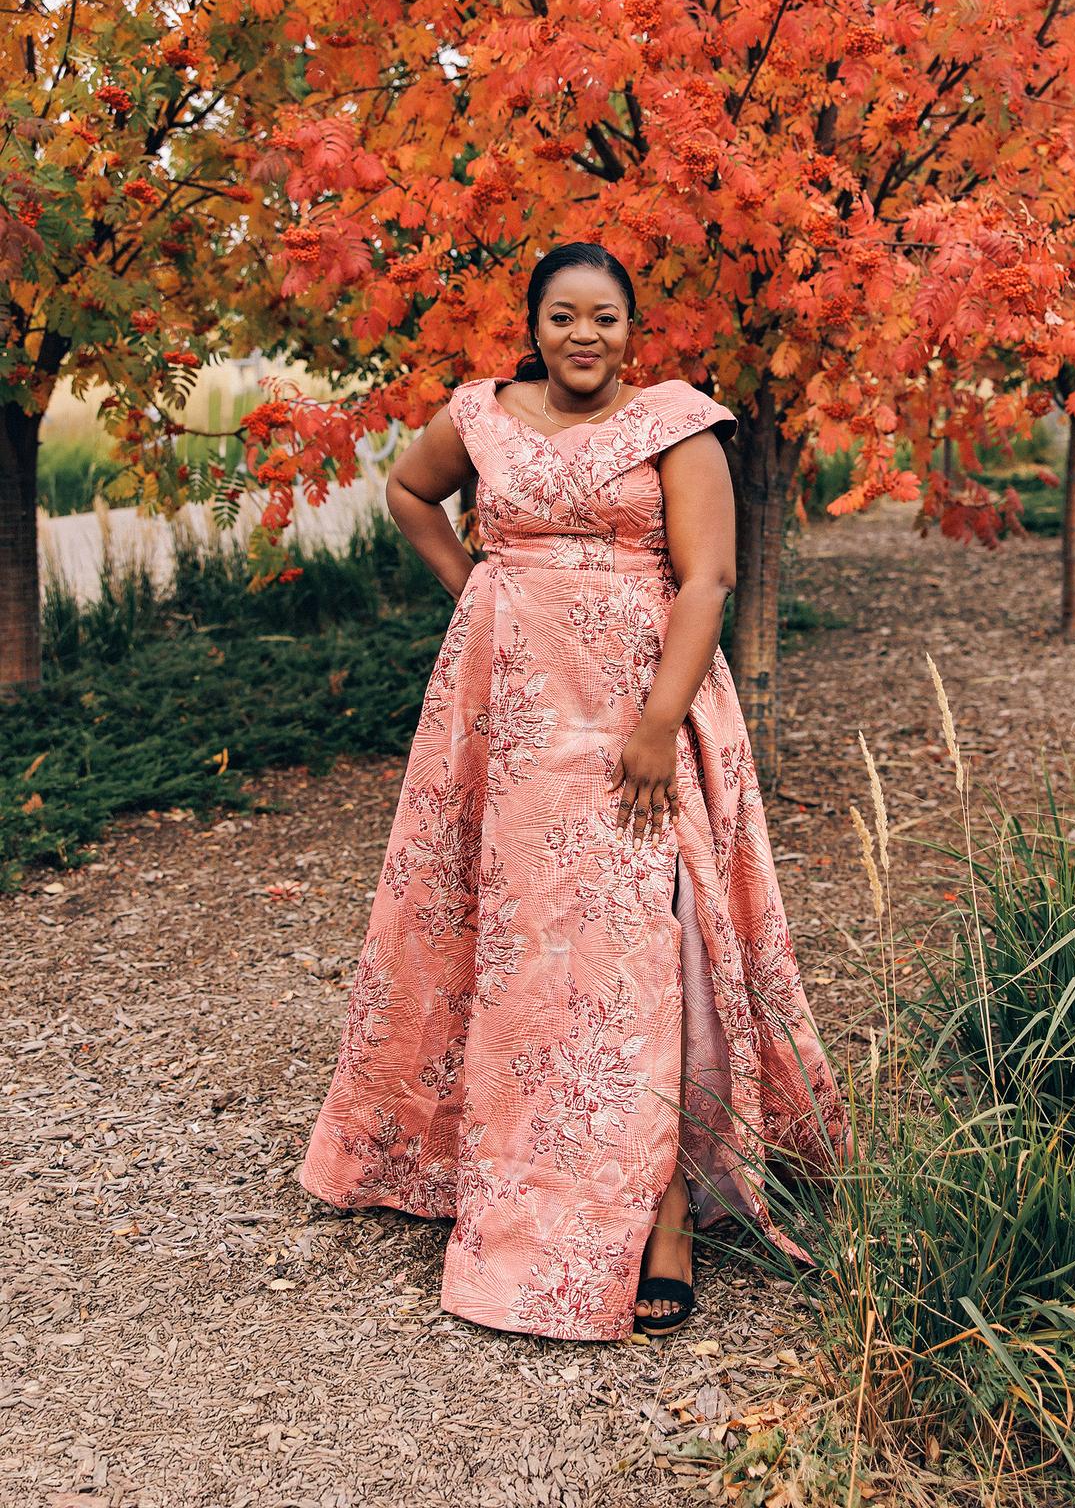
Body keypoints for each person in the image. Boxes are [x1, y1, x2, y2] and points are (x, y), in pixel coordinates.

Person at [298, 241, 844, 1341]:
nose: (582, 335)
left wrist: (655, 724)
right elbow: (409, 490)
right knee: (513, 938)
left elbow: (709, 578)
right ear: (533, 326)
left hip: (634, 707)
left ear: (631, 330)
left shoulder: (675, 423)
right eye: (561, 316)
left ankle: (664, 1209)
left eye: (603, 317)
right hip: (505, 716)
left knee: (638, 940)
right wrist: (481, 590)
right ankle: (497, 1163)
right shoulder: (484, 414)